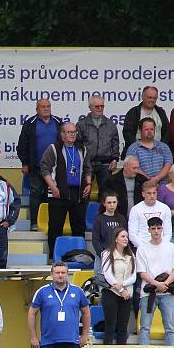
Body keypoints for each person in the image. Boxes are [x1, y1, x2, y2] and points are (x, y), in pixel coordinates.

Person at [40, 122, 92, 254]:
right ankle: (54, 257)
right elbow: (45, 169)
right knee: (55, 228)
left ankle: (79, 255)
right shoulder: (53, 148)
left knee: (79, 228)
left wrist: (89, 184)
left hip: (78, 194)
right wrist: (53, 186)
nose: (73, 135)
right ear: (62, 134)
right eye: (69, 132)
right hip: (58, 193)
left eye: (74, 132)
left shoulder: (82, 149)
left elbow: (87, 169)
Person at [17, 98, 62, 230]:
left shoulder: (58, 122)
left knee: (53, 195)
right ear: (37, 109)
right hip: (35, 166)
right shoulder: (30, 123)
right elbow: (22, 145)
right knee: (36, 195)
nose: (46, 108)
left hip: (54, 168)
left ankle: (50, 222)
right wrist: (25, 163)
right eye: (43, 107)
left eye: (48, 106)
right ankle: (35, 223)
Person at [137, 217, 174, 346]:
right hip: (148, 293)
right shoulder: (142, 248)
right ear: (148, 230)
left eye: (158, 228)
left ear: (162, 229)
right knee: (144, 327)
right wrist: (157, 284)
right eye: (153, 228)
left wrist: (165, 284)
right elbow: (142, 272)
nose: (156, 231)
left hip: (167, 292)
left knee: (170, 328)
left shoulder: (171, 247)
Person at [77, 95, 119, 199]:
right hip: (87, 164)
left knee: (105, 196)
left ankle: (103, 215)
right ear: (90, 107)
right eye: (97, 106)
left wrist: (114, 159)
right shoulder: (82, 124)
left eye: (102, 106)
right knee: (84, 194)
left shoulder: (110, 124)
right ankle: (83, 215)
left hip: (105, 164)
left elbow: (115, 143)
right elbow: (77, 144)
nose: (100, 109)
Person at [100, 228, 136, 345]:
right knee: (110, 324)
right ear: (116, 239)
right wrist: (120, 289)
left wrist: (123, 286)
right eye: (122, 236)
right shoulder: (107, 253)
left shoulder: (131, 256)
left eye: (126, 237)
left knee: (123, 326)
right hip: (111, 293)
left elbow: (133, 277)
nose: (126, 239)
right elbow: (108, 275)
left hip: (127, 294)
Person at [122, 86, 171, 158]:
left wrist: (161, 147)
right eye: (149, 97)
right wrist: (139, 148)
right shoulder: (133, 112)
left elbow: (167, 132)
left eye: (154, 98)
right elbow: (127, 132)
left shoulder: (160, 112)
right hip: (137, 153)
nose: (152, 100)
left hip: (157, 153)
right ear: (142, 97)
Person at [125, 118, 173, 185]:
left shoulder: (164, 147)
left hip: (163, 186)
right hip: (142, 186)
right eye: (146, 129)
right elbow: (133, 168)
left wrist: (157, 178)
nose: (149, 131)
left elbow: (168, 164)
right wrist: (148, 179)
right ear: (140, 130)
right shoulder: (133, 148)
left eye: (152, 129)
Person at [128, 181, 172, 247]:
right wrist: (144, 247)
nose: (152, 196)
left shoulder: (165, 208)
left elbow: (168, 233)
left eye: (154, 193)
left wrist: (162, 246)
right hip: (142, 246)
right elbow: (132, 234)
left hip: (161, 246)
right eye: (149, 193)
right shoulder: (135, 209)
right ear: (143, 194)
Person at [91, 191, 126, 273]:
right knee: (101, 281)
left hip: (119, 254)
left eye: (114, 202)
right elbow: (95, 240)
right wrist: (104, 255)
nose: (112, 205)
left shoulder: (121, 219)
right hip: (102, 256)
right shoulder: (99, 219)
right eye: (109, 202)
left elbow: (125, 237)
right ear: (104, 203)